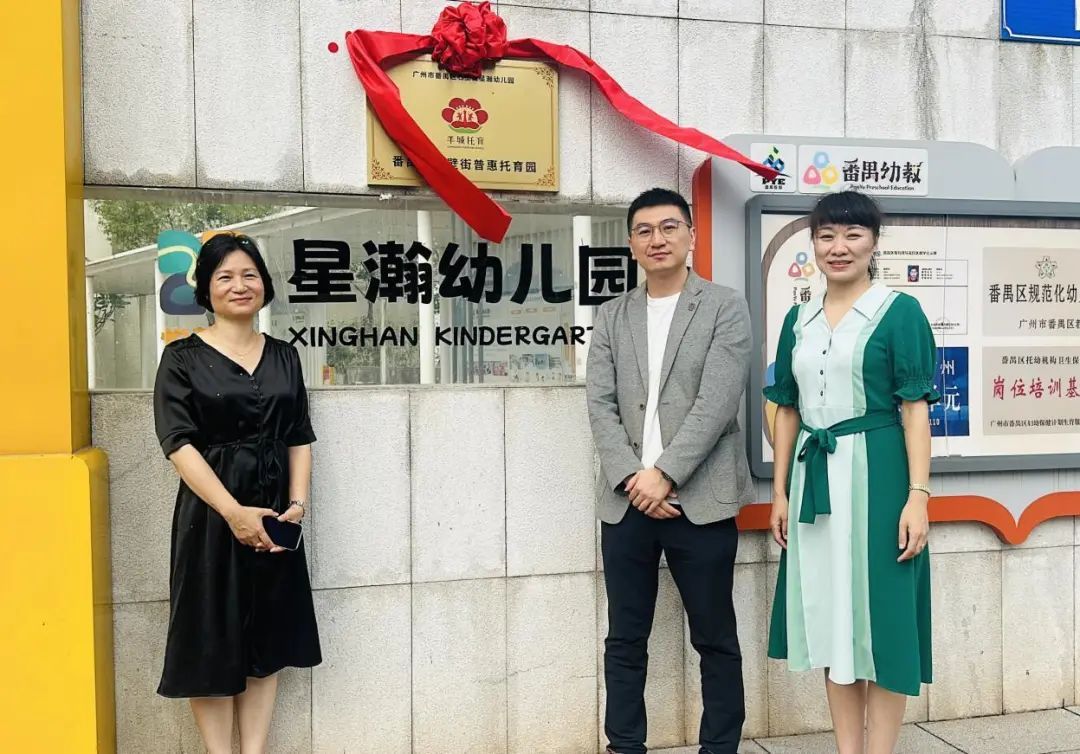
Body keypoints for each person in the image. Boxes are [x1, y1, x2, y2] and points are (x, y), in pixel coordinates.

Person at [765, 191, 935, 754]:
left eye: (853, 235)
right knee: (831, 618)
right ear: (813, 244)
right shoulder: (799, 318)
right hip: (815, 481)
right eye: (826, 236)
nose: (838, 247)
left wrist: (917, 496)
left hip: (880, 476)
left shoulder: (899, 311)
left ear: (873, 243)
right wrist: (781, 491)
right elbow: (787, 408)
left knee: (884, 622)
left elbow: (915, 409)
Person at [587, 187, 754, 754]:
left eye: (668, 227)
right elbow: (600, 405)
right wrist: (633, 478)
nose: (657, 239)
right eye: (644, 230)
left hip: (699, 501)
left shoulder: (724, 306)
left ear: (691, 236)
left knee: (715, 637)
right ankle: (624, 745)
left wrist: (666, 474)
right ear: (631, 244)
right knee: (624, 638)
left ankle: (719, 747)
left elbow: (717, 402)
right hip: (627, 501)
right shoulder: (612, 315)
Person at [153, 233, 321, 754]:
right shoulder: (180, 358)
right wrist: (232, 512)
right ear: (206, 289)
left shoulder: (285, 356)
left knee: (267, 642)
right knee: (211, 642)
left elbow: (299, 436)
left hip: (275, 517)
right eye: (224, 276)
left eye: (249, 274)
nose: (239, 285)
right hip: (210, 519)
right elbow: (177, 444)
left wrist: (296, 507)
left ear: (264, 284)